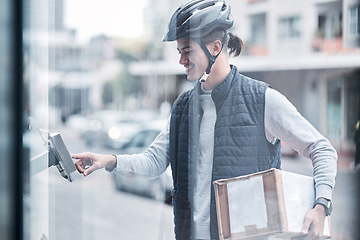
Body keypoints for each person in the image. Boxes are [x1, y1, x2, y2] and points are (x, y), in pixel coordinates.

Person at [72, 1, 337, 239]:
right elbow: (154, 161)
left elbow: (322, 149)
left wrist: (321, 206)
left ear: (215, 47)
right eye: (179, 51)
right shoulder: (183, 107)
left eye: (187, 50)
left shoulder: (262, 99)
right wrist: (108, 161)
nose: (181, 60)